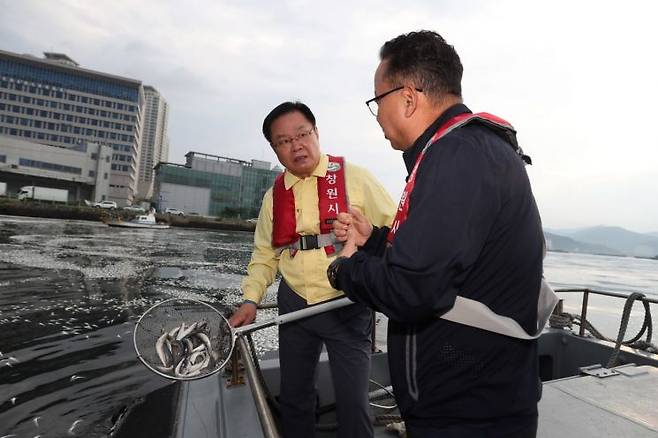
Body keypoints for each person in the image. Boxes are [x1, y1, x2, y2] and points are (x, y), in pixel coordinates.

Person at [326, 31, 549, 438]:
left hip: (467, 413)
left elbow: (413, 290)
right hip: (477, 400)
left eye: (378, 101)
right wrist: (375, 239)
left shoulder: (456, 156)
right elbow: (447, 257)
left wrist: (344, 270)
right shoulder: (471, 149)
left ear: (408, 97)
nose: (376, 114)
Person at [229, 101, 396, 438]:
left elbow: (396, 232)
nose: (296, 145)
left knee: (354, 402)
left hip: (346, 303)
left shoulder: (356, 178)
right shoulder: (273, 197)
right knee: (295, 396)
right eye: (284, 141)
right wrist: (250, 300)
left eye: (302, 134)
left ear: (316, 133)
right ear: (275, 149)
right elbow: (264, 255)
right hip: (294, 305)